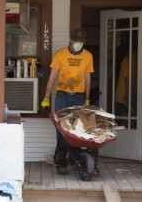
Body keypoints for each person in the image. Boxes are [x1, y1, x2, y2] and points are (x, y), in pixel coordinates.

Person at [41, 28, 94, 174]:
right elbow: (52, 78)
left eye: (81, 41)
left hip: (78, 96)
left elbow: (87, 78)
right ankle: (61, 162)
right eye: (76, 40)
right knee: (61, 129)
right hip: (62, 95)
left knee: (77, 128)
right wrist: (46, 98)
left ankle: (75, 158)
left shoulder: (88, 56)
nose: (79, 43)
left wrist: (87, 99)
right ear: (71, 40)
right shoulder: (60, 55)